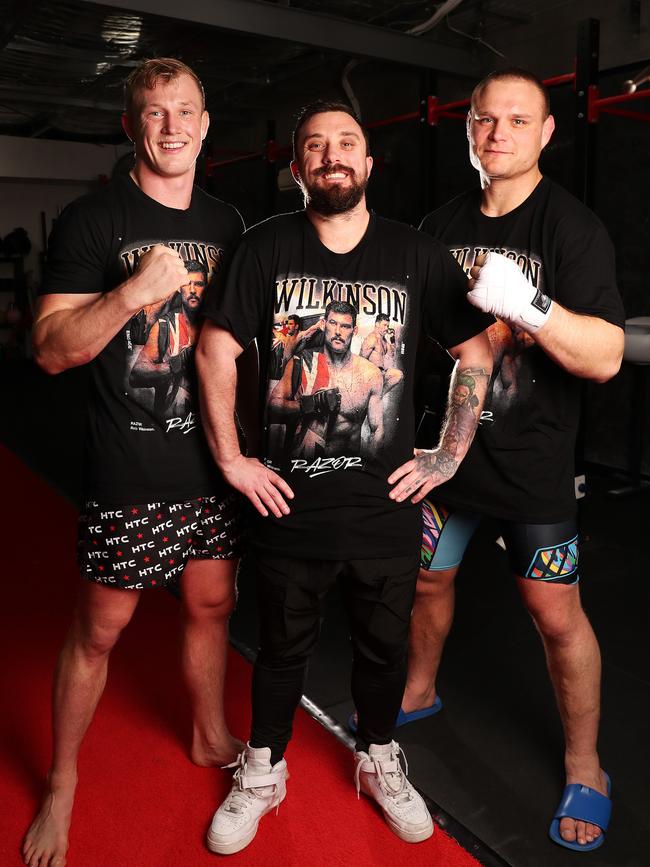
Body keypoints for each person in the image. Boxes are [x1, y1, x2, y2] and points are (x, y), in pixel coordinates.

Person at [196, 100, 493, 855]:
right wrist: (232, 459)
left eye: (347, 144)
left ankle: (379, 758)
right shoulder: (263, 248)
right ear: (296, 168)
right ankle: (263, 768)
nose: (332, 155)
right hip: (290, 503)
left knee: (383, 649)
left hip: (383, 507)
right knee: (280, 648)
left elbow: (477, 353)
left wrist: (448, 452)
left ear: (368, 165)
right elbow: (215, 349)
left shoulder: (415, 253)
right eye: (315, 146)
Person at [22, 58, 247, 867]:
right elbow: (49, 351)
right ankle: (62, 780)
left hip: (214, 464)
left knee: (212, 604)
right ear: (131, 126)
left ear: (206, 122)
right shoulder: (93, 220)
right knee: (100, 629)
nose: (173, 124)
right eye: (154, 112)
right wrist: (128, 293)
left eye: (185, 109)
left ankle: (207, 731)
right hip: (128, 466)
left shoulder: (231, 225)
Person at [405, 68, 625, 852]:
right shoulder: (437, 224)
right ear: (468, 128)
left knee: (555, 615)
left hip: (533, 465)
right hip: (447, 458)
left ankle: (585, 764)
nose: (497, 133)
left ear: (545, 133)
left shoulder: (571, 229)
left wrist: (530, 305)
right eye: (484, 119)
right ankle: (417, 691)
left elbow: (603, 356)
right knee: (427, 576)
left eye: (516, 120)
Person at [269, 300, 383, 459]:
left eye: (345, 326)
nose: (338, 331)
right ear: (323, 324)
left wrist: (368, 470)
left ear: (354, 330)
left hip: (345, 469)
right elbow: (273, 406)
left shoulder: (370, 373)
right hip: (301, 466)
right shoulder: (301, 362)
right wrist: (308, 405)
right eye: (333, 323)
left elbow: (376, 430)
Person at [129, 259, 208, 418]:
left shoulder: (216, 325)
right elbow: (136, 375)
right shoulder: (166, 325)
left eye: (199, 284)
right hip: (168, 424)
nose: (192, 290)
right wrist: (175, 364)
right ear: (180, 288)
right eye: (187, 284)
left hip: (205, 428)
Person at [360, 312, 404, 394]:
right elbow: (361, 359)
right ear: (377, 324)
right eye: (384, 325)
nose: (386, 328)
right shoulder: (372, 338)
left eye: (387, 325)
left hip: (381, 373)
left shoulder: (383, 340)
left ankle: (380, 394)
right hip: (371, 375)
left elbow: (392, 354)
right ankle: (376, 395)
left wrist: (392, 338)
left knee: (398, 375)